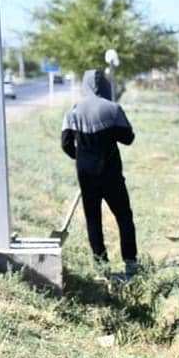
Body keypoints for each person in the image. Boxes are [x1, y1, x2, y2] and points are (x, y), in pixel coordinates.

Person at [61, 69, 138, 277]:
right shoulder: (113, 109)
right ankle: (130, 262)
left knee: (93, 219)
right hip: (111, 172)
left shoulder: (73, 112)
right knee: (124, 216)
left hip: (86, 174)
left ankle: (101, 267)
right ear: (105, 86)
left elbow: (66, 144)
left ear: (84, 86)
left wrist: (81, 157)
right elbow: (128, 138)